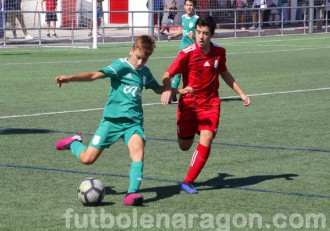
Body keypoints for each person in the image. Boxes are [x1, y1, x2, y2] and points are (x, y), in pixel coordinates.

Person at [54, 35, 165, 206]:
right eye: (138, 57)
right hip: (111, 122)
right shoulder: (120, 66)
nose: (140, 63)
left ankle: (131, 194)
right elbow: (94, 75)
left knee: (138, 153)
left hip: (133, 124)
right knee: (87, 159)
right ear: (131, 50)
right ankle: (74, 143)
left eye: (145, 59)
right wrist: (69, 78)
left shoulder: (144, 72)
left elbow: (159, 89)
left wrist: (177, 90)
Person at [161, 15, 251, 194]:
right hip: (189, 105)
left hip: (210, 104)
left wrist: (241, 93)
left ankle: (188, 181)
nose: (201, 37)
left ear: (212, 34)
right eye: (198, 32)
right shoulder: (187, 53)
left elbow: (224, 73)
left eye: (205, 34)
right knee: (184, 146)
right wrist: (167, 89)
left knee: (207, 138)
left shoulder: (219, 52)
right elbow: (167, 73)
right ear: (194, 32)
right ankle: (191, 131)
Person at [167, 0, 198, 103]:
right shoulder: (184, 17)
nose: (189, 7)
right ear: (184, 6)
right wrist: (174, 35)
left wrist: (194, 36)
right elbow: (183, 29)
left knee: (190, 73)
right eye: (187, 5)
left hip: (193, 50)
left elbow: (202, 34)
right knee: (177, 71)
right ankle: (173, 93)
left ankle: (192, 93)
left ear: (194, 7)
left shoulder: (197, 19)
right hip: (182, 49)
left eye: (191, 5)